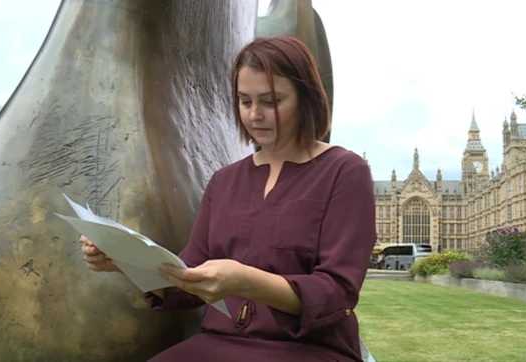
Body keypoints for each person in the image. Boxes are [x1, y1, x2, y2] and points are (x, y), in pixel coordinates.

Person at [80, 36, 376, 362]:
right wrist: (125, 261)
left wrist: (245, 281)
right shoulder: (224, 181)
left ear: (306, 98)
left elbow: (336, 292)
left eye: (271, 101)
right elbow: (189, 273)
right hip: (220, 342)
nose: (254, 115)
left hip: (310, 349)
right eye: (245, 101)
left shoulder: (345, 172)